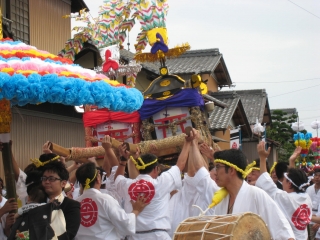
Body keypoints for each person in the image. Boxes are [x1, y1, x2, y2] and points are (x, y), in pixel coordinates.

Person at [114, 129, 192, 240]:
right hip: (158, 236)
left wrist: (123, 160)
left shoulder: (128, 185)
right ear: (156, 168)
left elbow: (117, 179)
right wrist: (188, 142)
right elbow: (180, 164)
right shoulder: (161, 182)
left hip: (135, 236)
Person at [212, 148, 295, 240]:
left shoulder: (256, 195)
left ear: (231, 170)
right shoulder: (221, 199)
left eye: (218, 167)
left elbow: (283, 231)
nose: (215, 173)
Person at [75, 162, 148, 240]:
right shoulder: (105, 200)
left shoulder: (75, 202)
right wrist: (136, 210)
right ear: (98, 179)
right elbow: (125, 224)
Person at [256, 142, 312, 240]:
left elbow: (266, 181)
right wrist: (291, 161)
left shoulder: (285, 198)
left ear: (290, 184)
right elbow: (294, 179)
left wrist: (262, 158)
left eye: (284, 180)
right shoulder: (306, 197)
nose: (282, 182)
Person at [42, 161, 80, 239]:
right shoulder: (38, 202)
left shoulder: (72, 206)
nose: (47, 182)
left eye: (51, 179)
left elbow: (69, 234)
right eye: (44, 178)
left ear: (63, 183)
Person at [307, 168, 320, 239]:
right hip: (309, 216)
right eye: (316, 175)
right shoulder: (309, 189)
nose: (317, 177)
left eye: (319, 176)